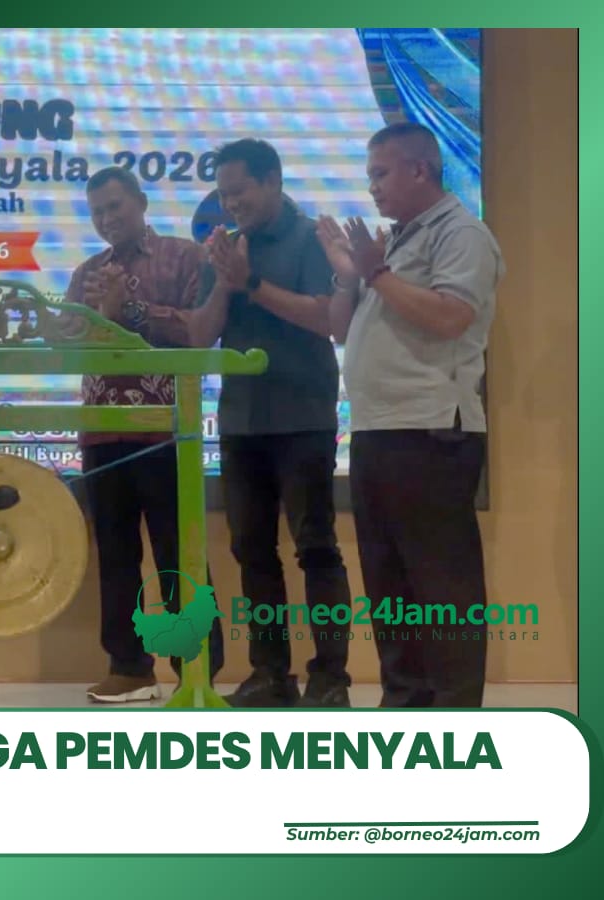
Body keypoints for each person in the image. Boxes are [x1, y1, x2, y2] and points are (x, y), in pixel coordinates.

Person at [319, 121, 503, 708]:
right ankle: (404, 707)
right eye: (369, 175)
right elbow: (340, 329)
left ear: (420, 170)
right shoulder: (394, 243)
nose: (372, 187)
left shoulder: (461, 234)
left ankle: (453, 717)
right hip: (377, 431)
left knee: (441, 586)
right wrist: (351, 274)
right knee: (389, 581)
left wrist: (376, 272)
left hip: (430, 430)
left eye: (381, 173)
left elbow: (450, 317)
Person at [187, 138, 353, 707]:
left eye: (240, 191)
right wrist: (226, 281)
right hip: (240, 422)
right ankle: (270, 673)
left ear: (273, 181)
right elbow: (200, 336)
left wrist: (253, 285)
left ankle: (330, 679)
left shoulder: (310, 238)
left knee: (316, 548)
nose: (232, 204)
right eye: (224, 195)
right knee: (251, 551)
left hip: (303, 417)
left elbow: (328, 319)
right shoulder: (225, 249)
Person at [64, 166, 226, 704]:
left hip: (167, 431)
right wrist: (96, 316)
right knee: (115, 554)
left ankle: (196, 667)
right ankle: (129, 668)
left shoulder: (185, 257)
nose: (107, 219)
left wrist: (128, 312)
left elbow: (198, 331)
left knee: (179, 554)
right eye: (97, 212)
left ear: (141, 201)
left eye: (115, 206)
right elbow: (69, 347)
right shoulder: (87, 272)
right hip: (102, 432)